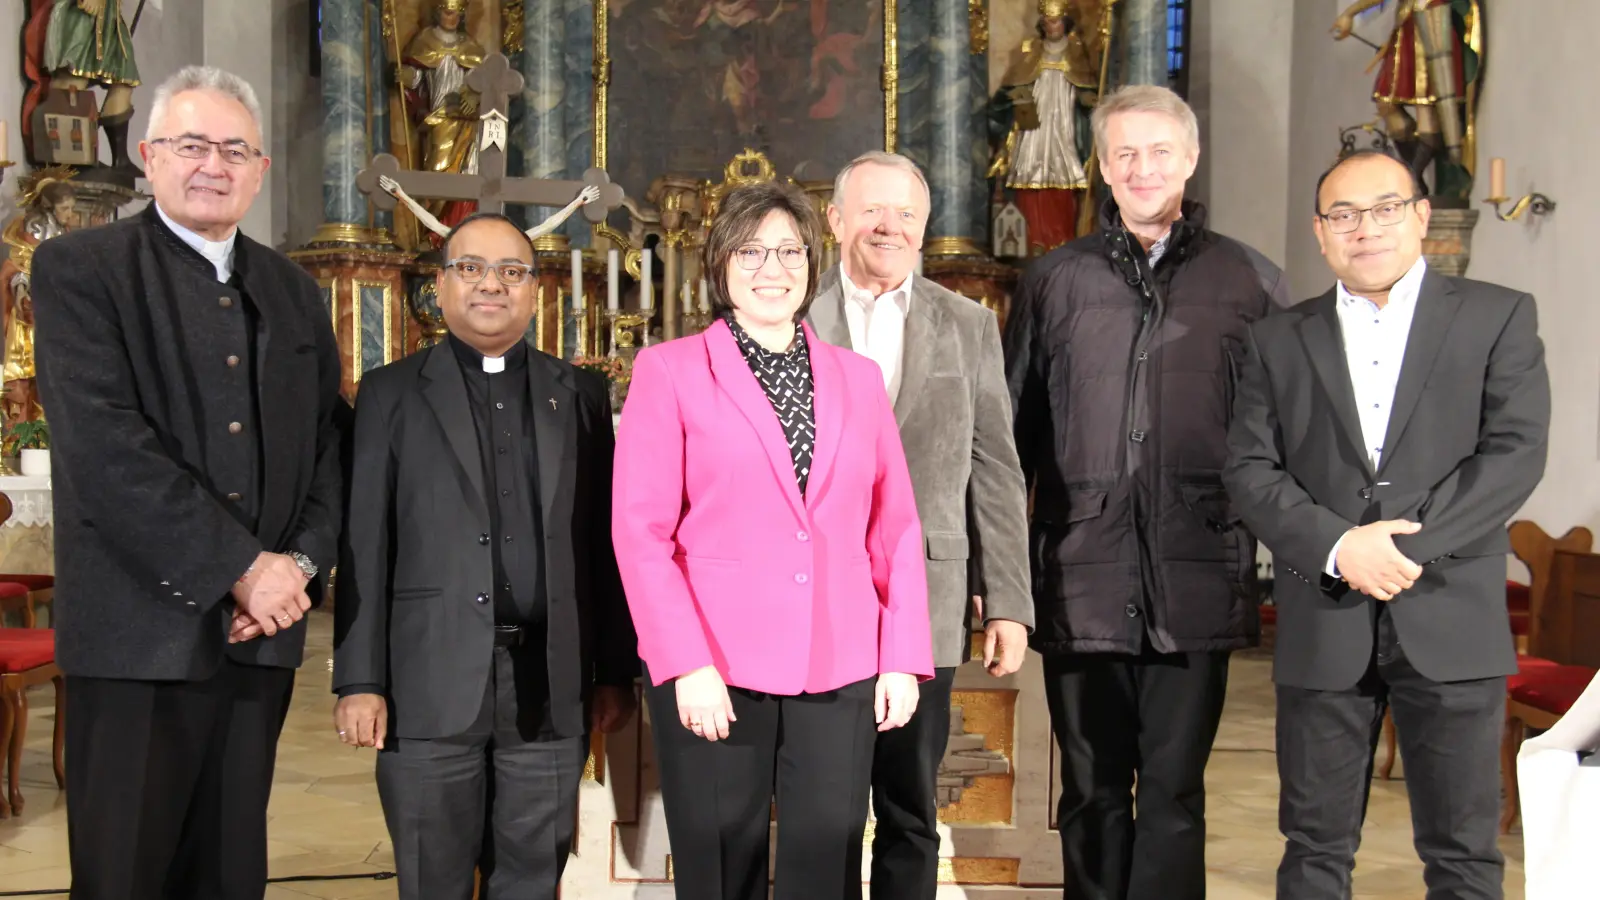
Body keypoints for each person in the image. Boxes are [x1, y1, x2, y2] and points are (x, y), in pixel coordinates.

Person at [31, 65, 345, 899]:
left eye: (236, 149)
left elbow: (328, 450)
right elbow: (106, 450)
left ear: (261, 169)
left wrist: (299, 568)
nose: (215, 164)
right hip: (136, 636)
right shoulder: (80, 270)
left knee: (229, 871)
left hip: (258, 639)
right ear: (148, 155)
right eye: (192, 144)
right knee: (125, 873)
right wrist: (244, 569)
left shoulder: (296, 292)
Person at [1224, 148, 1549, 900]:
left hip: (1452, 614)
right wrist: (1341, 548)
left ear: (1421, 217)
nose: (1364, 229)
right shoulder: (1279, 339)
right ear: (1320, 232)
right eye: (1343, 215)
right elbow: (1249, 469)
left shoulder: (1497, 315)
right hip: (1325, 621)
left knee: (1463, 854)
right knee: (1312, 849)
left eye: (1383, 209)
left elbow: (1513, 455)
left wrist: (1399, 549)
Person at [1003, 83, 1287, 900]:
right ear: (1101, 163)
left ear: (1190, 159)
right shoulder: (1054, 280)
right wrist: (1006, 578)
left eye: (1159, 150)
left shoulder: (1250, 280)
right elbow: (1013, 434)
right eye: (1124, 152)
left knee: (1173, 796)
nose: (1142, 167)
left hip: (1196, 565)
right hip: (1081, 569)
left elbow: (1286, 434)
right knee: (1090, 795)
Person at [613, 180, 933, 900]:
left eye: (789, 251)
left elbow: (896, 527)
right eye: (751, 250)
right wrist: (683, 662)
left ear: (811, 262)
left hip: (840, 659)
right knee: (724, 869)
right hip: (715, 670)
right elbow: (641, 532)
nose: (772, 268)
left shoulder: (859, 379)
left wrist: (901, 657)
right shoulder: (669, 372)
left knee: (826, 866)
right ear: (721, 263)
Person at [333, 211, 639, 899]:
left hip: (549, 683)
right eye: (470, 268)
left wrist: (615, 671)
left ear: (535, 290)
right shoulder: (389, 393)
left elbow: (604, 542)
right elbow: (364, 541)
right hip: (426, 681)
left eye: (511, 271)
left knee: (533, 878)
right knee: (431, 876)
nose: (490, 285)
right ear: (439, 288)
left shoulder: (580, 395)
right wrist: (359, 679)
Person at [806, 150, 1032, 900]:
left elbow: (995, 467)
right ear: (835, 220)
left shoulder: (967, 325)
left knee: (911, 812)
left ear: (926, 227)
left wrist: (1007, 600)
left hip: (924, 605)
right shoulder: (793, 317)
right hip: (818, 607)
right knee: (823, 813)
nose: (889, 226)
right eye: (871, 209)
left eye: (906, 213)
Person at [2, 172, 78, 430]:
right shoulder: (31, 231)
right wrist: (24, 293)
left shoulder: (61, 232)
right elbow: (17, 271)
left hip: (55, 316)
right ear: (49, 206)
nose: (70, 214)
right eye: (65, 208)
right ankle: (25, 433)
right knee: (27, 377)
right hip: (29, 318)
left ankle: (46, 430)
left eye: (72, 208)